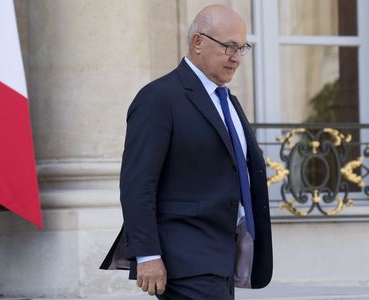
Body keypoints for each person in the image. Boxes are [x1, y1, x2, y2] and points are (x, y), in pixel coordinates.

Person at [100, 4, 272, 299]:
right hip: (184, 260)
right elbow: (137, 183)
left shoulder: (227, 100)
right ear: (197, 43)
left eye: (243, 48)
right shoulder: (159, 98)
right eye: (230, 47)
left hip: (222, 257)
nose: (236, 57)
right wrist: (147, 254)